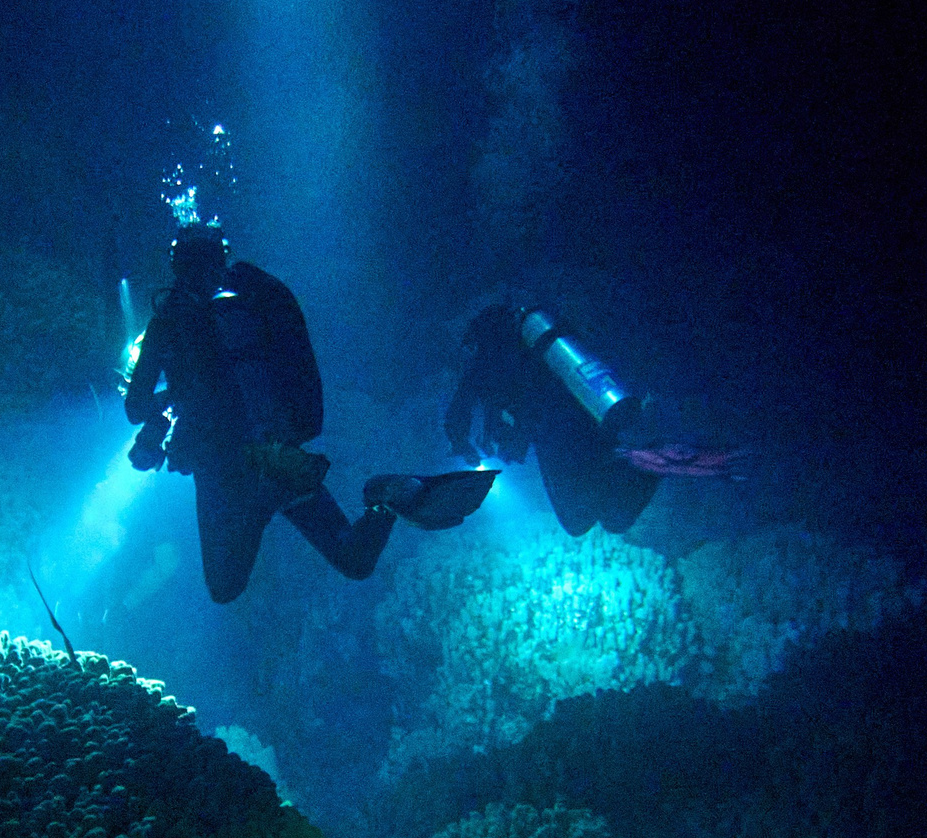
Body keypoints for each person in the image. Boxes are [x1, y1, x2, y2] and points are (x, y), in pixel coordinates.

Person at [125, 224, 490, 604]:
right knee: (353, 559)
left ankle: (261, 506)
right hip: (280, 455)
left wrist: (171, 396)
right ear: (222, 257)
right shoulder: (249, 305)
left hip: (224, 471)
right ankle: (385, 496)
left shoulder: (167, 324)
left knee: (224, 586)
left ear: (176, 264)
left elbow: (135, 408)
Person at [445, 302, 737, 537]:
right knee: (614, 519)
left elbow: (456, 416)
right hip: (593, 421)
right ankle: (645, 459)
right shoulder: (542, 344)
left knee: (578, 522)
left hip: (556, 440)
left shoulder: (486, 360)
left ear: (479, 339)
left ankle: (640, 460)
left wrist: (464, 448)